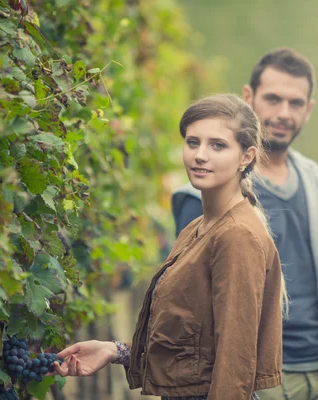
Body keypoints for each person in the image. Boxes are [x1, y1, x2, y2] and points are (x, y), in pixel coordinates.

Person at [51, 94, 285, 400]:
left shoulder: (236, 236)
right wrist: (114, 351)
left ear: (246, 156)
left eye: (217, 145)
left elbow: (235, 363)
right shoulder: (197, 227)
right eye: (192, 142)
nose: (200, 155)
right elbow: (191, 341)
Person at [172, 48, 318, 400]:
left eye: (296, 103)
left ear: (308, 109)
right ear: (248, 97)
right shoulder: (204, 193)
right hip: (265, 376)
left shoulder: (314, 178)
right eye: (273, 99)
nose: (284, 113)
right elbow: (193, 311)